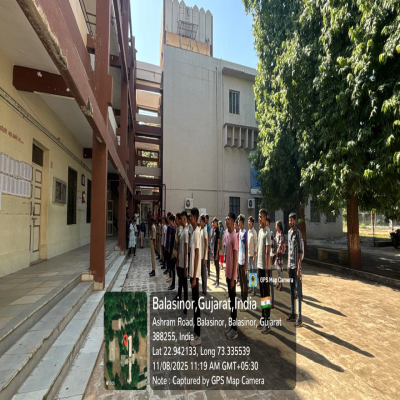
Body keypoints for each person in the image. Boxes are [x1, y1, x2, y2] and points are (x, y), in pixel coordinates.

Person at [286, 213, 303, 327]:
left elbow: (300, 252)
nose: (290, 222)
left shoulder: (298, 233)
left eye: (291, 220)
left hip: (296, 267)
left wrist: (298, 268)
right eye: (289, 220)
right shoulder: (288, 232)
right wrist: (288, 264)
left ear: (295, 221)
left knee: (298, 293)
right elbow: (289, 250)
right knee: (291, 291)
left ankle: (299, 317)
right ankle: (292, 313)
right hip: (290, 266)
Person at [257, 209, 272, 334]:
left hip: (265, 269)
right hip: (259, 267)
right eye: (258, 216)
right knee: (262, 295)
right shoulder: (260, 231)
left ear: (265, 217)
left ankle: (267, 322)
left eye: (260, 216)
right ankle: (263, 318)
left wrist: (267, 271)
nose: (259, 218)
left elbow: (267, 252)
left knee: (266, 296)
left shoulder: (267, 231)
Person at [224, 212, 239, 340]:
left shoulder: (234, 236)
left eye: (228, 219)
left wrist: (234, 278)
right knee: (231, 302)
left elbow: (235, 259)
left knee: (233, 303)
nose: (226, 220)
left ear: (233, 222)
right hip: (228, 274)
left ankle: (235, 330)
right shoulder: (227, 234)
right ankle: (232, 326)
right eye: (226, 219)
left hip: (232, 276)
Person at [189, 208, 202, 346]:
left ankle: (198, 336)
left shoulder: (197, 232)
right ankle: (195, 332)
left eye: (190, 216)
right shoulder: (193, 232)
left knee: (197, 306)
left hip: (195, 275)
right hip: (192, 274)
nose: (189, 219)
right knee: (194, 305)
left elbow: (197, 254)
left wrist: (194, 277)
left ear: (194, 217)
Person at [176, 211, 189, 317]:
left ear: (184, 219)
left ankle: (185, 308)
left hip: (184, 264)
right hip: (180, 263)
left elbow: (185, 251)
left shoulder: (186, 232)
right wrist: (177, 260)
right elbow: (180, 248)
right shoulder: (182, 231)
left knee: (185, 287)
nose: (180, 220)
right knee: (181, 283)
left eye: (181, 218)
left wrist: (185, 267)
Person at [237, 214, 248, 308]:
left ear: (241, 222)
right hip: (239, 261)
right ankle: (242, 299)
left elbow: (247, 248)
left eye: (239, 221)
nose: (238, 223)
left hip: (244, 262)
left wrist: (246, 263)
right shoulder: (239, 232)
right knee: (240, 282)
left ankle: (245, 302)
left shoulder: (245, 233)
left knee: (244, 283)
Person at [248, 216, 258, 296]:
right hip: (249, 255)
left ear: (252, 223)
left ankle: (254, 290)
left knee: (253, 273)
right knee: (250, 272)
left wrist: (254, 256)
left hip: (253, 256)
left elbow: (256, 244)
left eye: (249, 221)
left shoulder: (254, 232)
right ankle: (251, 288)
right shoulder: (248, 231)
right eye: (248, 221)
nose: (248, 223)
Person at [275, 220, 286, 291]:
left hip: (280, 254)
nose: (275, 227)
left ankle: (281, 285)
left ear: (278, 226)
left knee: (280, 270)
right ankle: (279, 283)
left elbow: (280, 245)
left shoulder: (281, 234)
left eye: (276, 225)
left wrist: (276, 252)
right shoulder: (277, 233)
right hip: (277, 254)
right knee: (278, 269)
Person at [199, 215, 209, 297]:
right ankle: (203, 289)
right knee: (201, 274)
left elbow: (206, 245)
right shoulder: (200, 230)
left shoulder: (205, 230)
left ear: (203, 221)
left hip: (203, 257)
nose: (199, 222)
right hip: (200, 255)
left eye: (200, 221)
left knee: (204, 274)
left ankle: (204, 291)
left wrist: (204, 257)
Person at [167, 214, 176, 290]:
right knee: (171, 267)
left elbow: (174, 242)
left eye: (170, 221)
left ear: (172, 221)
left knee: (173, 268)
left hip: (173, 251)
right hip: (171, 250)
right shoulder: (172, 228)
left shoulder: (174, 229)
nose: (169, 222)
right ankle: (172, 282)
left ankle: (173, 284)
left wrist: (172, 251)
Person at [212, 217, 220, 287]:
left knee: (217, 267)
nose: (213, 223)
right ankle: (216, 280)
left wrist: (217, 253)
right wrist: (213, 252)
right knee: (215, 266)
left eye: (214, 222)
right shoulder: (214, 230)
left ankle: (218, 281)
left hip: (216, 252)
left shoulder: (217, 231)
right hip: (214, 251)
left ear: (216, 223)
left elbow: (218, 243)